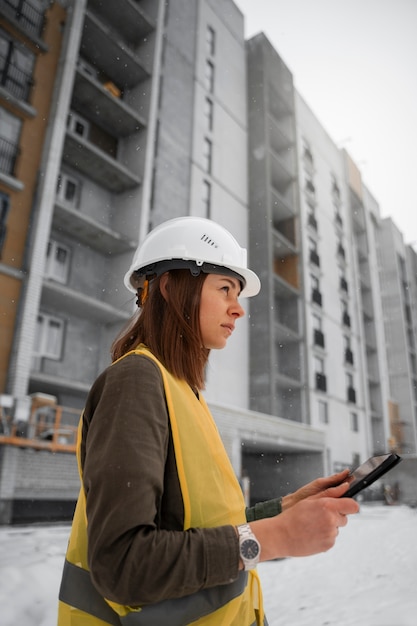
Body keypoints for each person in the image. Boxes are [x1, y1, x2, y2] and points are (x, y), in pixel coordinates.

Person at [58, 217, 359, 626]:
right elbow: (124, 565)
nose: (238, 308)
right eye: (225, 289)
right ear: (170, 287)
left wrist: (284, 509)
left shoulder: (183, 390)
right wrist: (276, 538)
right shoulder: (136, 382)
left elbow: (201, 526)